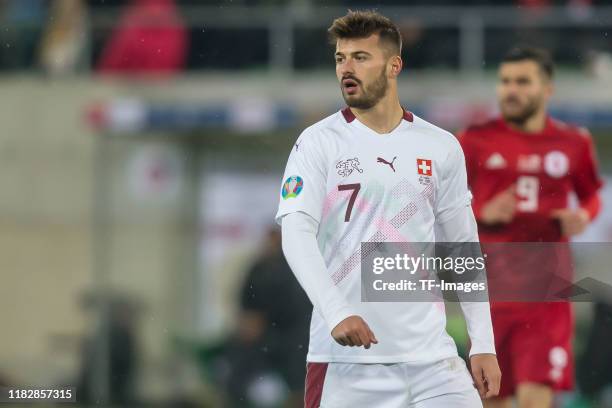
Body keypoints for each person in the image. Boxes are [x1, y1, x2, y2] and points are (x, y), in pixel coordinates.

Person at [276, 10, 500, 408]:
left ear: (394, 65)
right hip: (348, 364)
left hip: (434, 361)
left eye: (361, 57)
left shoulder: (440, 145)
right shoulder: (318, 143)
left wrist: (483, 342)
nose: (347, 67)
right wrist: (336, 312)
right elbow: (295, 232)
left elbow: (462, 248)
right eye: (340, 58)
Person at [458, 47, 603, 408]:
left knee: (536, 397)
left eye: (523, 81)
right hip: (489, 296)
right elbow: (441, 209)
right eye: (505, 81)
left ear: (547, 89)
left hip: (546, 295)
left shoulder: (574, 142)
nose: (511, 90)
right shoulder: (471, 141)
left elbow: (591, 196)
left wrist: (583, 216)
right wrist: (482, 211)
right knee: (491, 397)